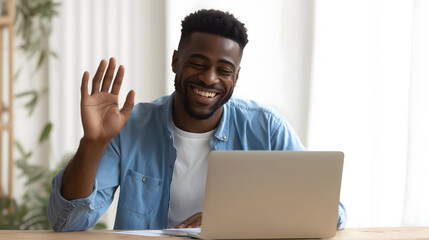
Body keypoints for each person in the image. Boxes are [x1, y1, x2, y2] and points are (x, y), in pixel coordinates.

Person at [48, 9, 347, 232]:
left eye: (224, 69)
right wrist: (93, 144)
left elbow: (330, 212)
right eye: (198, 63)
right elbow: (67, 223)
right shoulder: (129, 127)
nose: (210, 78)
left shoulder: (267, 129)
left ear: (237, 76)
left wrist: (233, 217)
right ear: (176, 60)